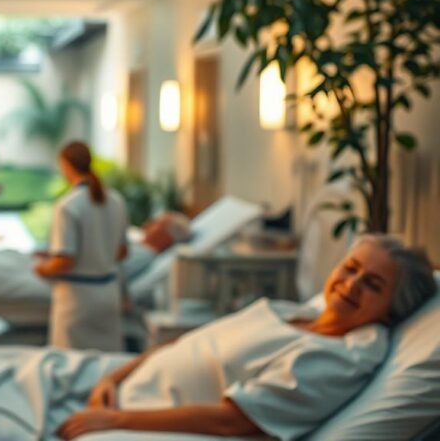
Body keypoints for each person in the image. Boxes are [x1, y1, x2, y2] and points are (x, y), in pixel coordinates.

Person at [56, 234, 437, 440]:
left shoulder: (341, 357)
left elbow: (232, 422)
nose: (351, 284)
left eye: (372, 284)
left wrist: (116, 420)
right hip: (119, 390)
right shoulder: (294, 313)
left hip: (135, 416)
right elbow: (188, 341)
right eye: (350, 268)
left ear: (392, 309)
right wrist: (114, 376)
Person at [35, 141, 128, 351]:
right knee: (107, 368)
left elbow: (65, 261)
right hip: (108, 295)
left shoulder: (68, 205)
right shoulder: (116, 201)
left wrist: (42, 269)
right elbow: (122, 252)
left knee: (71, 368)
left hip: (78, 301)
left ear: (66, 165)